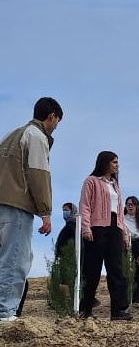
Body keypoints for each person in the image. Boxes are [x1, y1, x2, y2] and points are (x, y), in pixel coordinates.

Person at [0, 97, 62, 323]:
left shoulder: (10, 135)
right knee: (15, 258)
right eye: (57, 121)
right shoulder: (36, 136)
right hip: (17, 205)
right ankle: (5, 312)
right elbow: (39, 175)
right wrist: (45, 212)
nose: (56, 126)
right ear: (52, 116)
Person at [79, 151, 132, 321]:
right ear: (105, 162)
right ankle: (86, 309)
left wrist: (124, 235)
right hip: (97, 229)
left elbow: (120, 213)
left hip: (115, 228)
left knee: (116, 269)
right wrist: (86, 228)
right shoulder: (91, 181)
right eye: (114, 162)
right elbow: (85, 206)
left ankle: (118, 311)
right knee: (92, 269)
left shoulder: (115, 185)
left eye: (117, 162)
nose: (117, 165)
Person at [123, 196, 139, 307]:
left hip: (138, 246)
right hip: (126, 246)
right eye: (128, 204)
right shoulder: (122, 219)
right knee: (125, 273)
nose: (130, 206)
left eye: (132, 204)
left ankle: (137, 300)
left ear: (137, 206)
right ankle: (124, 299)